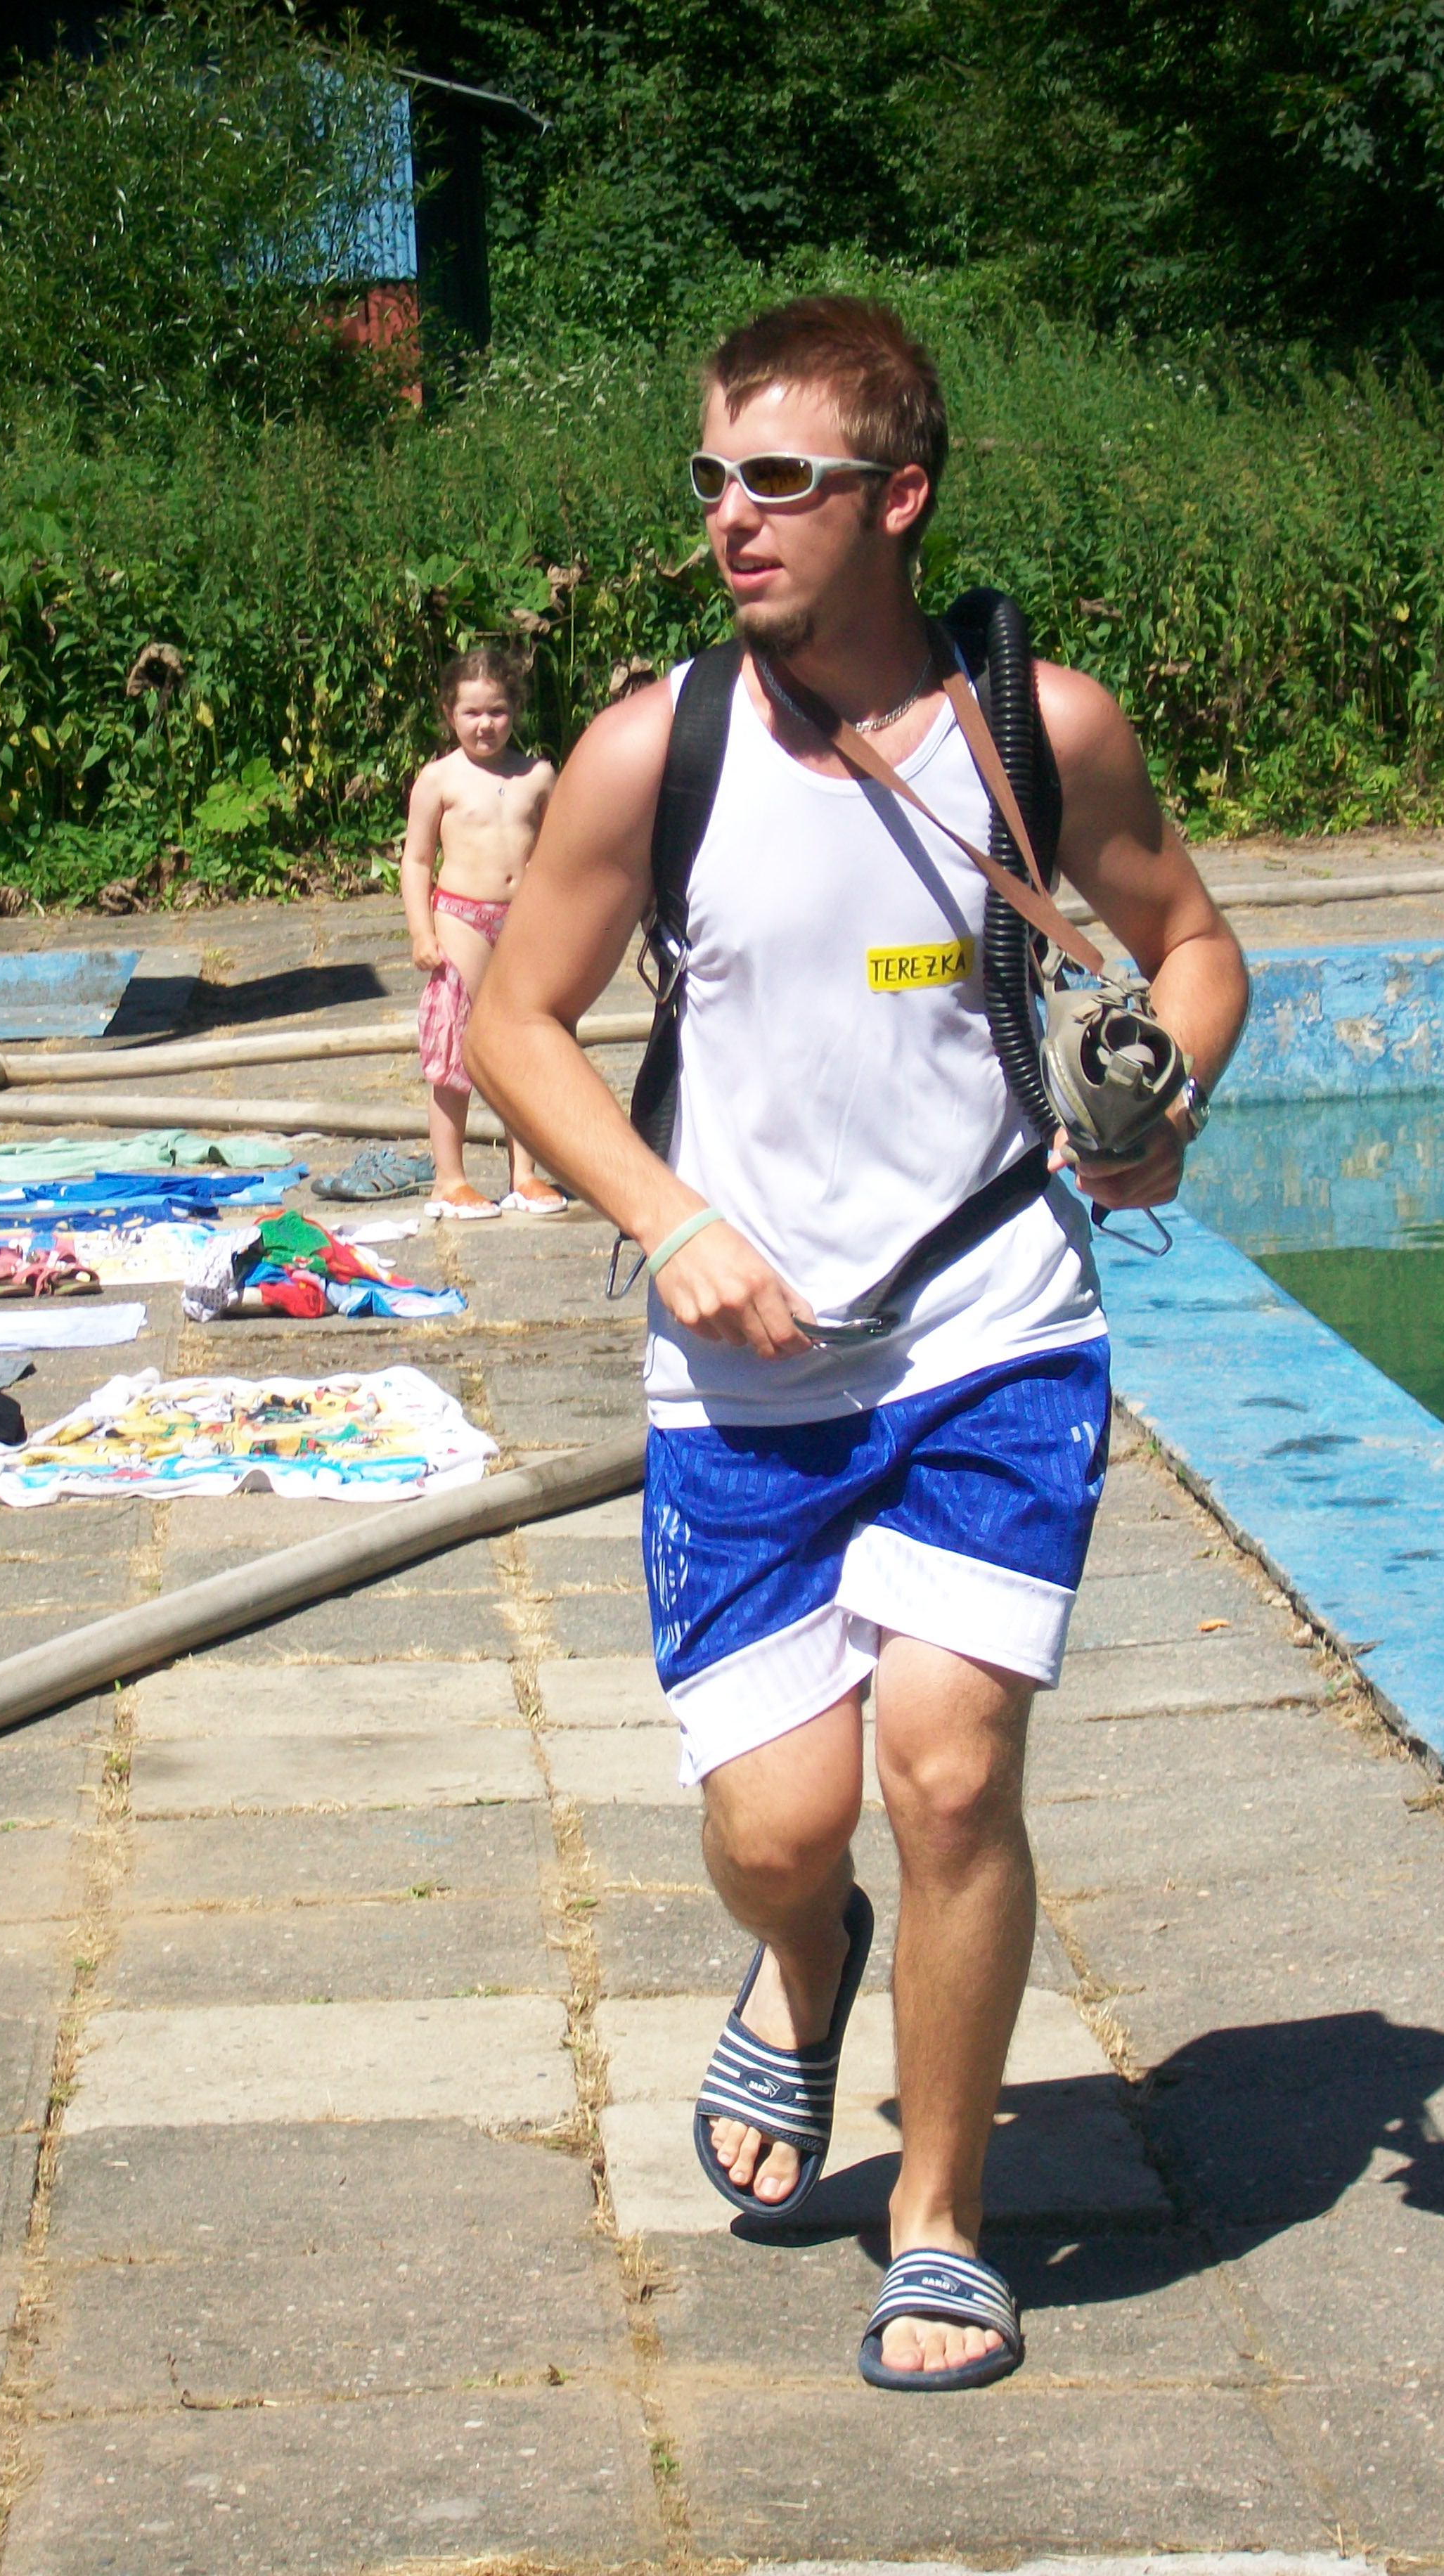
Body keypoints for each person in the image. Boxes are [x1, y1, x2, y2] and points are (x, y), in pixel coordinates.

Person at [468, 296, 1249, 2389]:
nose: (730, 517)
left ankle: (941, 2224)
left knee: (950, 1770)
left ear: (896, 498)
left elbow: (1189, 943)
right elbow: (514, 1024)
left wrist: (1156, 1094)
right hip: (743, 1378)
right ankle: (803, 1962)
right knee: (782, 1829)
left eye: (779, 479)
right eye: (712, 477)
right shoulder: (655, 751)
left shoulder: (1040, 733)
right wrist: (670, 1222)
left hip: (992, 1334)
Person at [401, 646, 567, 1218]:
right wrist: (421, 931)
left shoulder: (537, 775)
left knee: (524, 1041)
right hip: (462, 916)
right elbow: (417, 860)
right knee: (457, 1045)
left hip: (523, 917)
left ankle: (526, 1173)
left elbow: (558, 850)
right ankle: (450, 1178)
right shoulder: (439, 779)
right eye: (471, 713)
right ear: (450, 714)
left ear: (515, 710)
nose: (485, 724)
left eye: (496, 711)